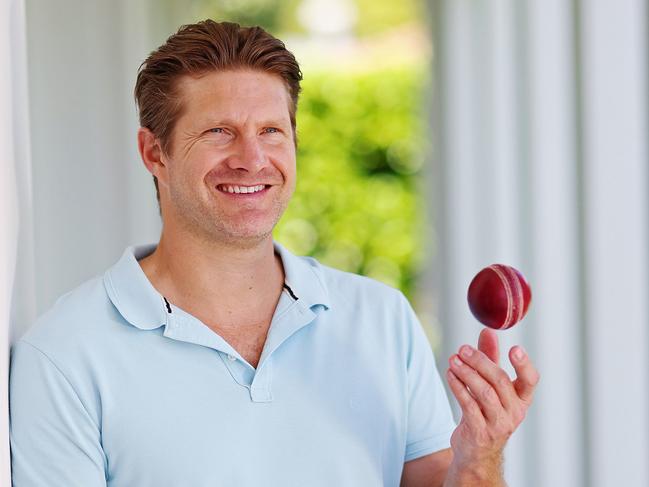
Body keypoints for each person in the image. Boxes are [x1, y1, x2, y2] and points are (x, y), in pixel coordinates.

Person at [9, 20, 539, 486]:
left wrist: (479, 458)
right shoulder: (64, 356)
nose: (252, 159)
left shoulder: (382, 320)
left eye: (270, 131)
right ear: (155, 152)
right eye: (220, 132)